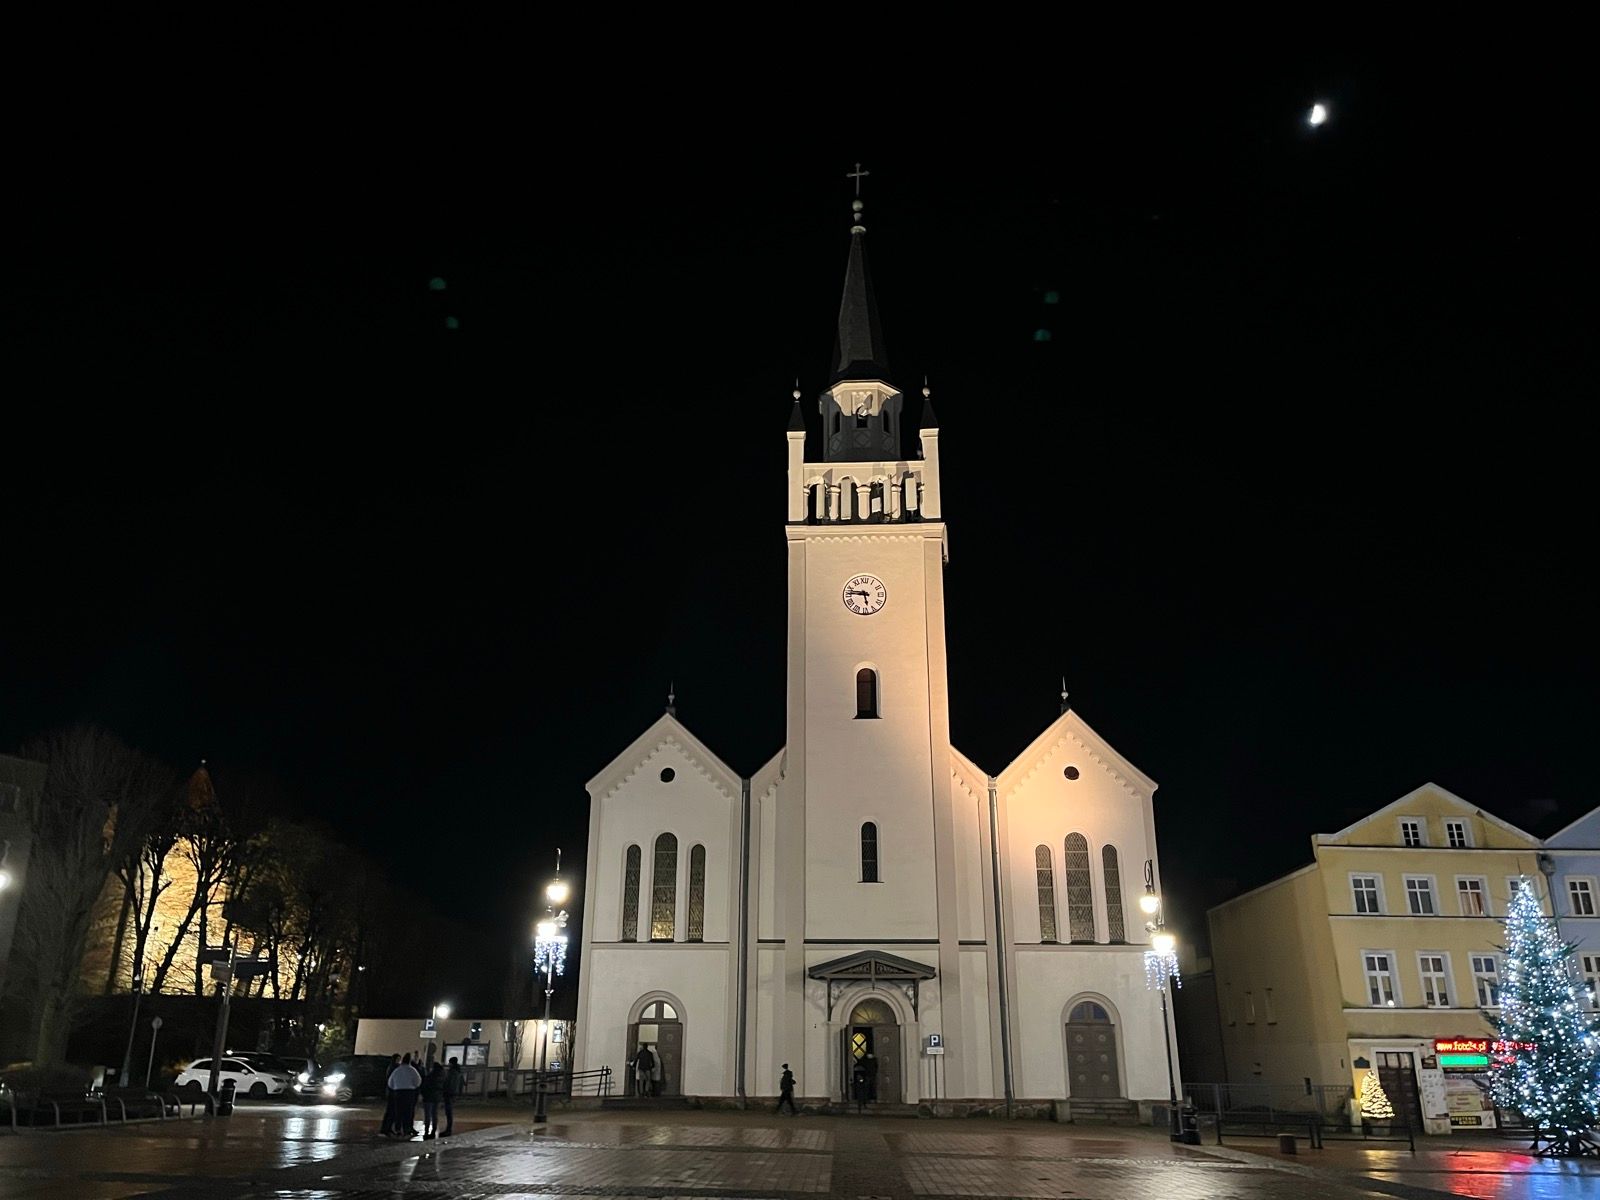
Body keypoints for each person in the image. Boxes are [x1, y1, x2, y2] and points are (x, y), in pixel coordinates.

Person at [387, 1054, 422, 1137]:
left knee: (398, 1111)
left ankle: (398, 1129)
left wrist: (395, 1088)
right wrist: (414, 1087)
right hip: (409, 1092)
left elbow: (390, 1082)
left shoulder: (397, 1070)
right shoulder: (412, 1070)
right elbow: (418, 1081)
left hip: (398, 1092)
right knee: (408, 1112)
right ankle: (407, 1129)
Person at [419, 1061, 445, 1138]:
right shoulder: (442, 1077)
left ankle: (426, 1131)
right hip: (437, 1098)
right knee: (435, 1114)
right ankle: (434, 1130)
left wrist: (423, 1095)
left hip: (428, 1098)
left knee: (427, 1115)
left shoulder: (430, 1076)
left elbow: (424, 1086)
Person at [379, 1053, 402, 1137]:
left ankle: (387, 1128)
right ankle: (386, 1129)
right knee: (391, 1111)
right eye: (398, 1059)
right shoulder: (394, 1068)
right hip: (393, 1092)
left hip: (391, 1091)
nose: (399, 1061)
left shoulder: (392, 1067)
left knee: (391, 1111)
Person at [442, 1056, 463, 1136]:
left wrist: (444, 1090)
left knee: (448, 1112)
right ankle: (448, 1129)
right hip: (453, 1093)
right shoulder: (458, 1072)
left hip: (449, 1093)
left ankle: (448, 1129)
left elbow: (448, 1083)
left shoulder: (452, 1072)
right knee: (449, 1112)